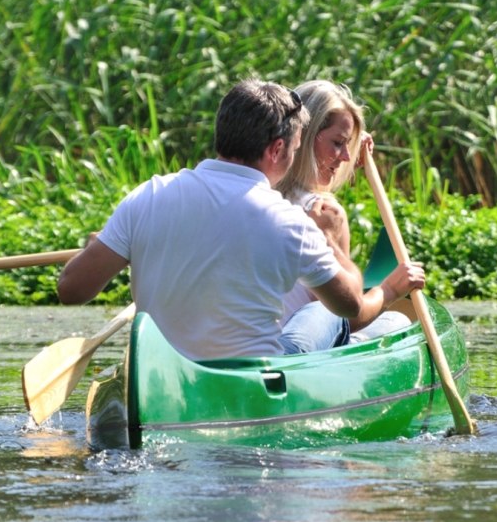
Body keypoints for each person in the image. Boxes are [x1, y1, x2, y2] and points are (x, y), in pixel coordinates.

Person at [56, 78, 424, 360]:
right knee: (351, 316)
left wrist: (102, 247)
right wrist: (388, 288)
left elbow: (70, 290)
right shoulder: (290, 222)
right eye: (295, 149)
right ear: (278, 148)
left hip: (164, 375)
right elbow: (350, 307)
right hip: (249, 386)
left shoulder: (147, 195)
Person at [275, 79, 417, 343]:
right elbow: (344, 316)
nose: (344, 158)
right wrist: (390, 289)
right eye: (337, 144)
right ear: (304, 138)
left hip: (256, 343)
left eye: (347, 147)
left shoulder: (260, 193)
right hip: (300, 350)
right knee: (398, 320)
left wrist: (347, 145)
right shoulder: (327, 214)